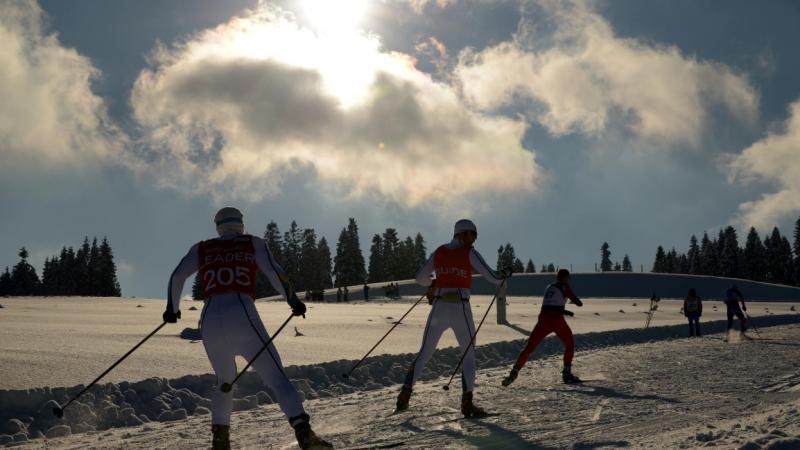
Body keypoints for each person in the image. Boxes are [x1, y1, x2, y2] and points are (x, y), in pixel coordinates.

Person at [163, 207, 331, 450]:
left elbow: (177, 276)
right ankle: (305, 436)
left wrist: (172, 309)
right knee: (275, 376)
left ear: (218, 227)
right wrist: (293, 300)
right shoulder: (253, 243)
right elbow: (275, 272)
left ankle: (220, 443)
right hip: (241, 310)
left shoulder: (201, 248)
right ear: (240, 224)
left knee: (224, 381)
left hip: (210, 318)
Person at [395, 219, 508, 417]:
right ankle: (467, 404)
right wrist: (506, 274)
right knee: (468, 355)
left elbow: (420, 278)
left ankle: (404, 397)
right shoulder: (469, 252)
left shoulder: (439, 252)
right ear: (463, 234)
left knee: (424, 354)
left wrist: (434, 282)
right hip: (460, 307)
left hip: (438, 307)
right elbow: (494, 278)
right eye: (473, 235)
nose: (474, 240)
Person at [502, 269, 583, 387]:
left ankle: (514, 371)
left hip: (543, 320)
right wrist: (569, 303)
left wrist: (563, 309)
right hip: (556, 320)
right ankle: (567, 374)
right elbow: (578, 303)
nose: (569, 280)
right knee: (569, 345)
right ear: (565, 278)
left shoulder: (549, 287)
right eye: (568, 278)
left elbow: (550, 304)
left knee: (529, 348)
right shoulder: (564, 286)